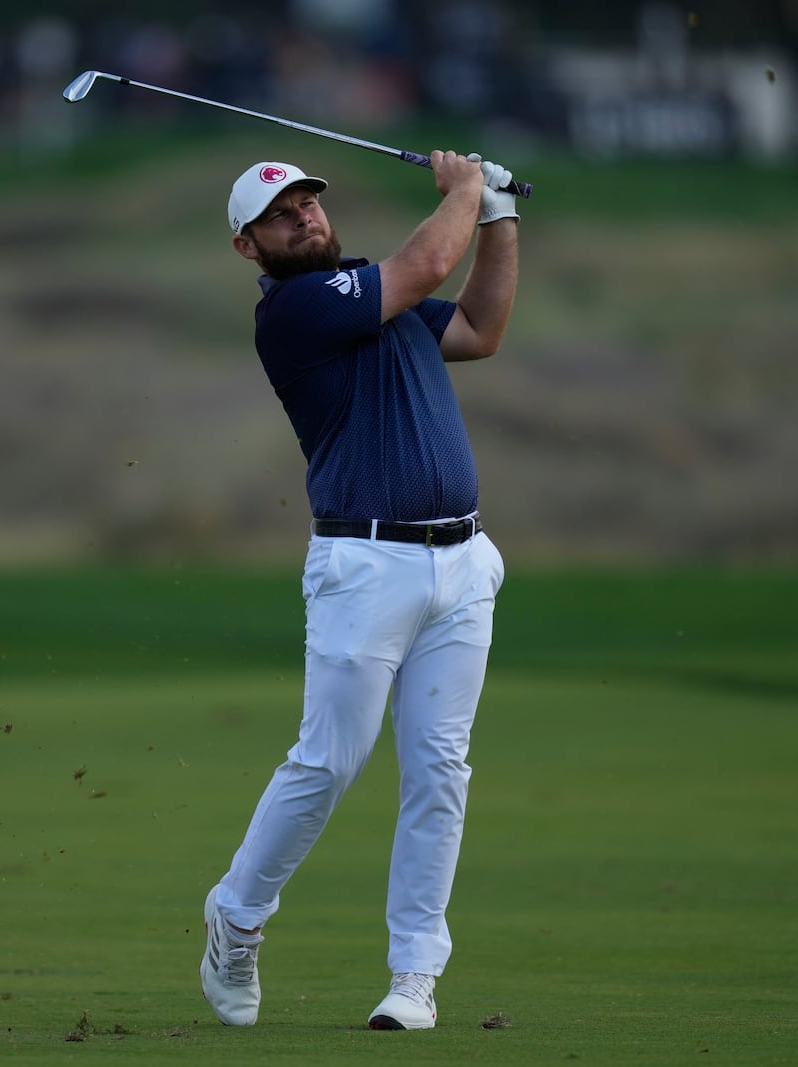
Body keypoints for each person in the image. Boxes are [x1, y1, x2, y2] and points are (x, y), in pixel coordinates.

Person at [201, 151, 520, 1031]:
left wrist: (497, 216)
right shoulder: (295, 311)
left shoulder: (385, 299)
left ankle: (414, 977)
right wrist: (463, 189)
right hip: (362, 565)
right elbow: (421, 264)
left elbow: (484, 328)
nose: (302, 215)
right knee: (329, 760)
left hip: (461, 563)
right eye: (279, 213)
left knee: (439, 772)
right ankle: (236, 912)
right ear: (248, 246)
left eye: (307, 200)